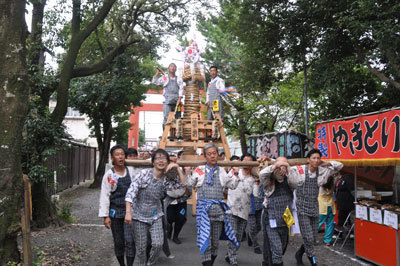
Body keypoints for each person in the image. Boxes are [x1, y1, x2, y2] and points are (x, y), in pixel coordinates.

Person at [125, 149, 187, 266]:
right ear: (153, 162)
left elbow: (183, 184)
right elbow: (131, 192)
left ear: (167, 162)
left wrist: (177, 168)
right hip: (139, 216)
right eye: (158, 158)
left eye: (164, 158)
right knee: (141, 249)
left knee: (158, 244)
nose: (161, 160)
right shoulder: (144, 174)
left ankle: (150, 264)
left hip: (156, 215)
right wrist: (128, 212)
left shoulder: (166, 178)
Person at [188, 142, 240, 266]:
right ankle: (206, 263)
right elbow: (190, 185)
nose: (212, 156)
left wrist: (236, 172)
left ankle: (210, 262)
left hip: (218, 212)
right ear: (205, 157)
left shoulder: (222, 171)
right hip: (203, 212)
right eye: (209, 154)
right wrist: (189, 173)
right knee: (206, 241)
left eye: (214, 153)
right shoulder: (199, 170)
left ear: (218, 155)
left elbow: (232, 185)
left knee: (215, 243)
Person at [288, 149, 343, 266]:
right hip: (302, 209)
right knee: (308, 237)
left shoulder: (322, 170)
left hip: (314, 207)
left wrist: (326, 163)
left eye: (318, 158)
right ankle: (313, 261)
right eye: (314, 158)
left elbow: (340, 165)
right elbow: (288, 170)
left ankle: (299, 253)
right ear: (308, 160)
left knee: (312, 238)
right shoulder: (300, 170)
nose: (316, 160)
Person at [99, 145, 135, 266]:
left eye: (122, 154)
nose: (120, 157)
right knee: (119, 241)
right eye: (117, 154)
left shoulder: (131, 171)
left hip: (130, 212)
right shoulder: (110, 175)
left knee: (130, 241)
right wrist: (105, 216)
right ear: (112, 158)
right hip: (115, 212)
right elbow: (105, 195)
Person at [259, 157, 296, 266]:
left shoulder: (289, 180)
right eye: (280, 165)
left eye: (284, 165)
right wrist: (276, 165)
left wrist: (287, 167)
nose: (282, 168)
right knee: (277, 249)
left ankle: (269, 262)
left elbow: (296, 182)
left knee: (283, 246)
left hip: (285, 219)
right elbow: (262, 174)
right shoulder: (268, 181)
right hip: (271, 219)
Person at [225, 154, 259, 266]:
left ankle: (229, 254)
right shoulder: (234, 172)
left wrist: (258, 182)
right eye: (244, 160)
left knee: (239, 237)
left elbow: (256, 194)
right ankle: (233, 258)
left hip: (244, 212)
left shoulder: (253, 179)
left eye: (249, 161)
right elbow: (227, 185)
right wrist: (235, 173)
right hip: (231, 209)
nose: (245, 162)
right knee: (233, 234)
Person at [152, 63, 185, 128]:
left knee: (178, 118)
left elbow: (181, 89)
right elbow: (155, 82)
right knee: (166, 118)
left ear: (176, 69)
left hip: (177, 102)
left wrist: (179, 99)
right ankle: (165, 134)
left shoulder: (179, 79)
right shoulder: (165, 78)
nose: (172, 68)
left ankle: (177, 135)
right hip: (167, 101)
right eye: (171, 66)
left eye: (174, 67)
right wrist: (158, 73)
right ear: (168, 69)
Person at [318, 173, 340, 246]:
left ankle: (311, 238)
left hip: (322, 206)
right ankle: (327, 240)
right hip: (331, 205)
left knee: (318, 223)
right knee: (330, 224)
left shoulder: (321, 185)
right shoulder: (333, 184)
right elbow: (337, 175)